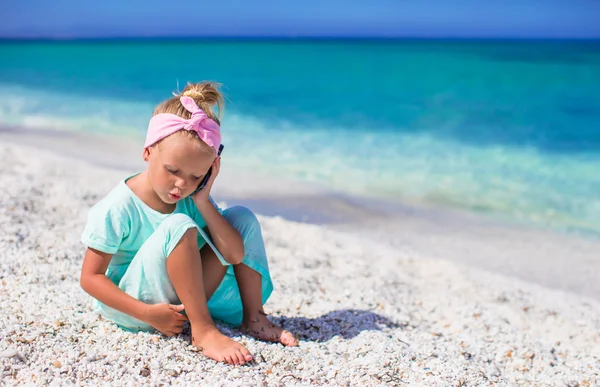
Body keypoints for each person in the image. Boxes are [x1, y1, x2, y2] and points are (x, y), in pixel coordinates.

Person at [79, 81, 298, 366]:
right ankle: (203, 330)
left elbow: (233, 254)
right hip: (138, 305)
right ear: (147, 152)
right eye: (172, 170)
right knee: (178, 225)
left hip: (184, 295)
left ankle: (254, 317)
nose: (182, 184)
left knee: (240, 218)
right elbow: (90, 278)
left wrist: (203, 200)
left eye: (196, 176)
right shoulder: (118, 207)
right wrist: (146, 313)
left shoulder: (191, 197)